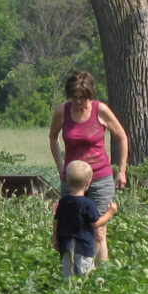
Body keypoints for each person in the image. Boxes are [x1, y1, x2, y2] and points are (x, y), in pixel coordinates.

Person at [47, 70, 130, 262]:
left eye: (82, 97)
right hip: (73, 178)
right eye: (74, 97)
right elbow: (52, 137)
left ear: (89, 95)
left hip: (100, 177)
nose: (78, 102)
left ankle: (101, 274)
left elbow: (122, 137)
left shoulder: (101, 110)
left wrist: (122, 171)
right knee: (71, 227)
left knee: (99, 230)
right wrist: (61, 166)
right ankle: (76, 271)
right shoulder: (62, 111)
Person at [53, 160, 102, 278]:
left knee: (68, 278)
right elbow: (96, 224)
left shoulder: (63, 201)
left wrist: (55, 239)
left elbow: (56, 221)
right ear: (88, 183)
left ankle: (69, 289)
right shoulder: (88, 204)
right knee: (85, 278)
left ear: (68, 180)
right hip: (84, 248)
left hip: (66, 246)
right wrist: (110, 213)